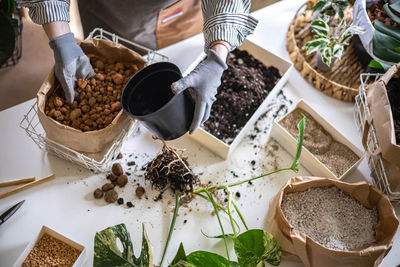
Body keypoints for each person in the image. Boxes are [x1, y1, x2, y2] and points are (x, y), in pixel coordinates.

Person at [16, 0, 258, 133]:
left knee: (178, 51)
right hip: (110, 10)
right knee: (119, 44)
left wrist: (218, 51)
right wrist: (61, 39)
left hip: (180, 12)